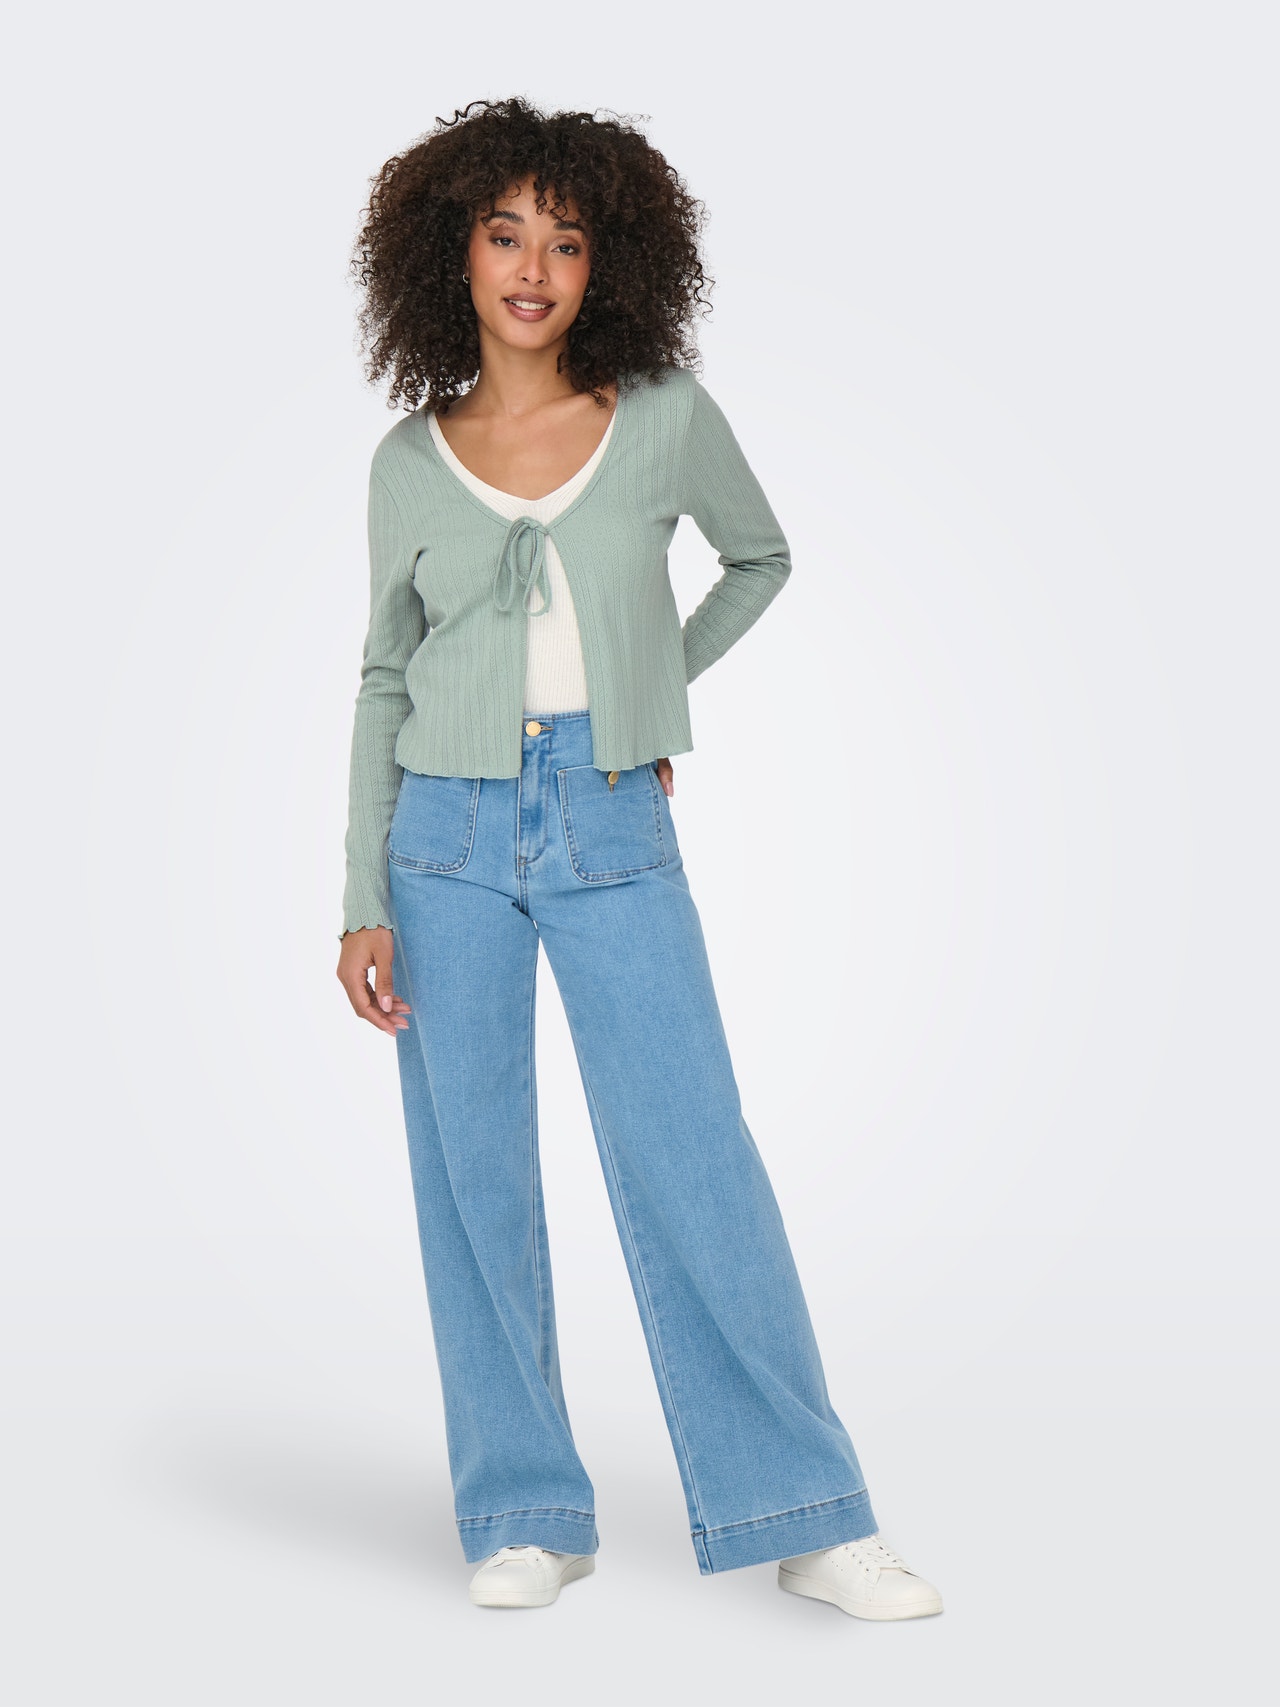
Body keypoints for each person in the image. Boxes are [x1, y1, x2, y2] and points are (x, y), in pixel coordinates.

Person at [336, 95, 942, 1620]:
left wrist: (649, 688)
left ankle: (806, 1511)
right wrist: (359, 897)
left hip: (609, 816)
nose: (533, 268)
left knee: (694, 1158)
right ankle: (525, 1509)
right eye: (504, 236)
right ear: (453, 255)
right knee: (472, 1179)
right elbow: (384, 680)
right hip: (442, 836)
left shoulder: (661, 415)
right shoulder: (408, 459)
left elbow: (759, 556)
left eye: (566, 240)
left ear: (610, 263)